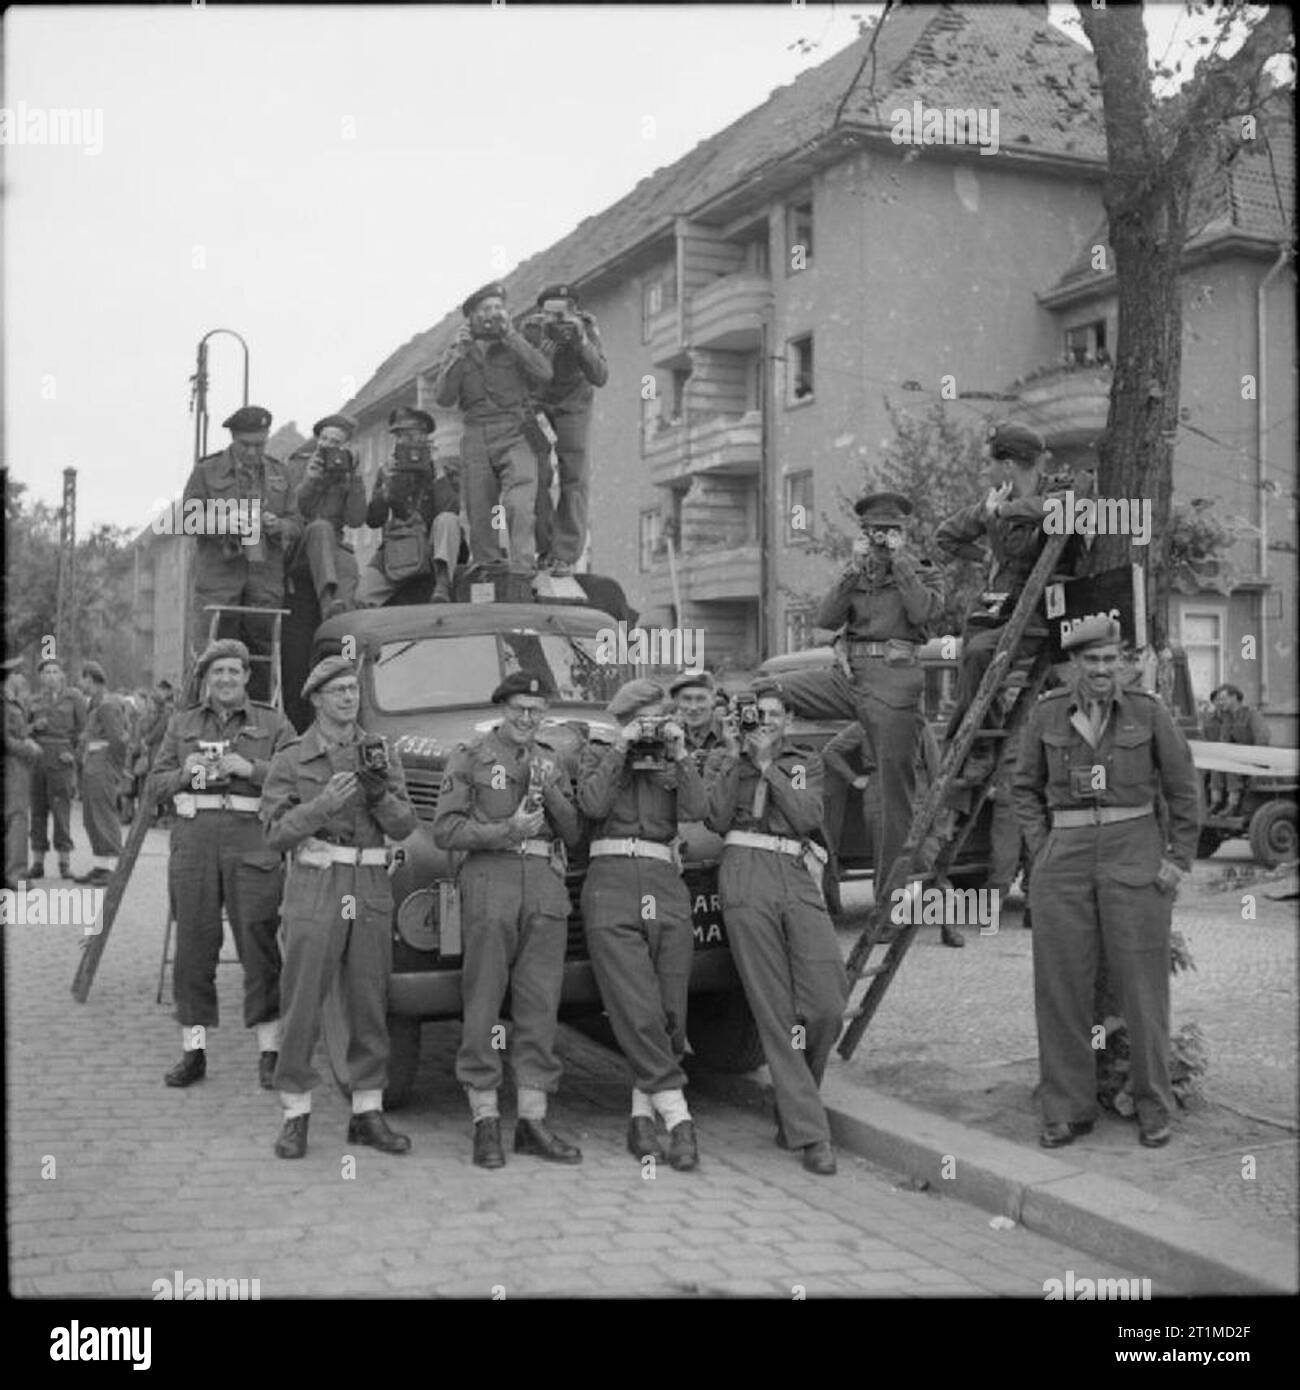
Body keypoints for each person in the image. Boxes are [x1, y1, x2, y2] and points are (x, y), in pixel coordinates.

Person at [1012, 617, 1200, 1151]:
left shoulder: (1148, 711)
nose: (1100, 671)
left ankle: (1153, 1109)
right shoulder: (1048, 713)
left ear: (1124, 661)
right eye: (1090, 661)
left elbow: (1185, 788)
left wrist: (1177, 860)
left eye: (1109, 660)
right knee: (1061, 987)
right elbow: (1023, 787)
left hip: (1133, 851)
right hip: (1064, 857)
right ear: (1074, 665)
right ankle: (1067, 1111)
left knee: (1143, 989)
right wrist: (1042, 847)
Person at [260, 656, 418, 1159]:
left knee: (369, 1000)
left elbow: (404, 825)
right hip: (317, 883)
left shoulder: (379, 753)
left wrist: (378, 797)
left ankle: (367, 1110)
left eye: (353, 689)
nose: (349, 698)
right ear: (317, 699)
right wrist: (322, 806)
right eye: (338, 691)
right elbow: (274, 834)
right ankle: (295, 1113)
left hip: (369, 883)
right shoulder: (291, 758)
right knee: (304, 999)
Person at [432, 672, 584, 1169]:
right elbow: (446, 830)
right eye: (519, 709)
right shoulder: (470, 756)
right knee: (483, 999)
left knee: (540, 1002)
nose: (527, 719)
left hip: (542, 882)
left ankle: (533, 1121)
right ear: (502, 708)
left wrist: (552, 791)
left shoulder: (551, 759)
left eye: (536, 710)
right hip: (490, 880)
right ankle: (484, 1119)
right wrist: (504, 830)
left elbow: (575, 831)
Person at [705, 678, 849, 1176]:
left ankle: (795, 1107)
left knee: (827, 1001)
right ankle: (811, 1133)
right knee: (775, 1009)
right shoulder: (728, 759)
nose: (762, 722)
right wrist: (732, 755)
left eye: (771, 715)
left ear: (788, 720)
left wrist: (767, 765)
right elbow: (717, 818)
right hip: (744, 869)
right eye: (755, 714)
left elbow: (807, 814)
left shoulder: (803, 762)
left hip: (794, 871)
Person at [150, 640, 297, 1091]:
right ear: (206, 679)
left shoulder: (272, 722)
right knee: (193, 948)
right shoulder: (182, 723)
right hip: (194, 844)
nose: (227, 680)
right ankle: (193, 1051)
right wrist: (187, 769)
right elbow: (154, 785)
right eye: (218, 673)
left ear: (247, 677)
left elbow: (299, 778)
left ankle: (270, 1050)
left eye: (234, 672)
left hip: (251, 842)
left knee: (259, 945)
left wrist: (250, 769)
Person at [578, 678, 704, 1171]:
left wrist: (681, 753)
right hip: (610, 881)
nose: (651, 726)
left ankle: (639, 1117)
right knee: (635, 1003)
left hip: (662, 882)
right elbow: (591, 806)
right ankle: (679, 1117)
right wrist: (622, 750)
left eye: (659, 717)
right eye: (643, 719)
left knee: (669, 1005)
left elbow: (696, 813)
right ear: (624, 719)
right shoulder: (598, 752)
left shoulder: (672, 756)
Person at [803, 492, 944, 890]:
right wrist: (851, 572)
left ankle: (890, 903)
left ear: (904, 533)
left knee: (891, 814)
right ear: (864, 534)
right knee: (772, 689)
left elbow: (921, 613)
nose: (883, 540)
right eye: (875, 532)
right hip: (855, 679)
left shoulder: (924, 573)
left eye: (891, 532)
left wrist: (900, 565)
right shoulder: (855, 576)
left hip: (896, 676)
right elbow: (825, 621)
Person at [936, 422, 1079, 746]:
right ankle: (973, 745)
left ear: (1008, 465)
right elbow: (946, 535)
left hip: (1039, 610)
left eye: (990, 463)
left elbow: (1059, 508)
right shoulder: (993, 500)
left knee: (979, 654)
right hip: (995, 604)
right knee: (973, 667)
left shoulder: (1058, 491)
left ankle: (963, 747)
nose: (987, 470)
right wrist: (984, 556)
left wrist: (1001, 510)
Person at [433, 282, 552, 577]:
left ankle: (523, 567)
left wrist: (512, 336)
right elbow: (444, 398)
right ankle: (486, 565)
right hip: (476, 433)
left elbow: (544, 374)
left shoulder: (517, 343)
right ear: (471, 318)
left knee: (519, 503)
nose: (493, 315)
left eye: (499, 308)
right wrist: (459, 353)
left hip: (516, 430)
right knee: (479, 508)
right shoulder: (458, 351)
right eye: (486, 310)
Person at [183, 405, 299, 701]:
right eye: (245, 445)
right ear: (233, 439)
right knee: (213, 657)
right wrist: (224, 522)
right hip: (220, 582)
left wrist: (278, 526)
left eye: (259, 444)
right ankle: (202, 720)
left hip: (264, 584)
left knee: (263, 660)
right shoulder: (207, 471)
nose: (252, 452)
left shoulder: (280, 473)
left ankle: (261, 727)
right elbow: (187, 519)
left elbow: (297, 523)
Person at [521, 283, 608, 575]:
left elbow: (600, 375)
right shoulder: (530, 330)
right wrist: (541, 357)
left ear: (574, 313)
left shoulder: (587, 327)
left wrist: (581, 343)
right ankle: (542, 547)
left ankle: (565, 553)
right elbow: (522, 381)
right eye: (547, 315)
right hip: (539, 405)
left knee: (574, 475)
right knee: (536, 473)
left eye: (560, 317)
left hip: (574, 405)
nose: (553, 324)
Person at [357, 407, 463, 607]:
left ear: (426, 439)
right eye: (401, 437)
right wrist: (385, 487)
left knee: (448, 520)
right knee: (362, 596)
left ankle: (442, 583)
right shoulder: (388, 471)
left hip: (433, 544)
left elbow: (451, 510)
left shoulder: (445, 470)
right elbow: (373, 520)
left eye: (413, 437)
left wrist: (438, 471)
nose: (406, 443)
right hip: (400, 544)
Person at [285, 414, 367, 618]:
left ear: (346, 447)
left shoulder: (348, 473)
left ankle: (341, 627)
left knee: (348, 565)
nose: (327, 446)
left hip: (333, 545)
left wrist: (355, 479)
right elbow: (291, 510)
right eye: (324, 439)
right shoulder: (299, 465)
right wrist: (311, 480)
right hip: (300, 542)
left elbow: (356, 520)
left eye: (335, 442)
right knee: (320, 527)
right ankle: (327, 603)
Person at [26, 657, 87, 881]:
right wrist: (34, 726)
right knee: (38, 811)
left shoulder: (74, 698)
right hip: (38, 759)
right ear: (41, 677)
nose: (51, 676)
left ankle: (64, 862)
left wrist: (74, 755)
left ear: (62, 675)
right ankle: (38, 862)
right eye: (47, 672)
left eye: (55, 671)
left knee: (61, 811)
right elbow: (22, 731)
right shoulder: (32, 700)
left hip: (62, 759)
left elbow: (84, 731)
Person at [73, 661, 128, 887]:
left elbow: (118, 740)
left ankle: (113, 867)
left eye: (82, 678)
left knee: (103, 813)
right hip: (93, 762)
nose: (80, 683)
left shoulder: (107, 704)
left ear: (90, 678)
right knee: (91, 817)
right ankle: (101, 865)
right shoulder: (95, 703)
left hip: (103, 762)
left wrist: (114, 768)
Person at [4, 658, 43, 890]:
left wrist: (26, 734)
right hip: (13, 767)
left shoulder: (11, 700)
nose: (20, 676)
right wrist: (27, 746)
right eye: (16, 672)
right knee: (17, 819)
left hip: (15, 766)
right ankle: (16, 876)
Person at [1203, 683, 1270, 815]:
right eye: (1219, 699)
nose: (1220, 702)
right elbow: (1224, 740)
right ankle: (1215, 802)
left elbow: (1262, 737)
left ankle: (1232, 804)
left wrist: (1256, 760)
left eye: (1223, 698)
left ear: (1234, 697)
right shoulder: (1227, 717)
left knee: (1232, 768)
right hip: (1236, 757)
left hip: (1253, 757)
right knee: (1217, 765)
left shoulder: (1251, 714)